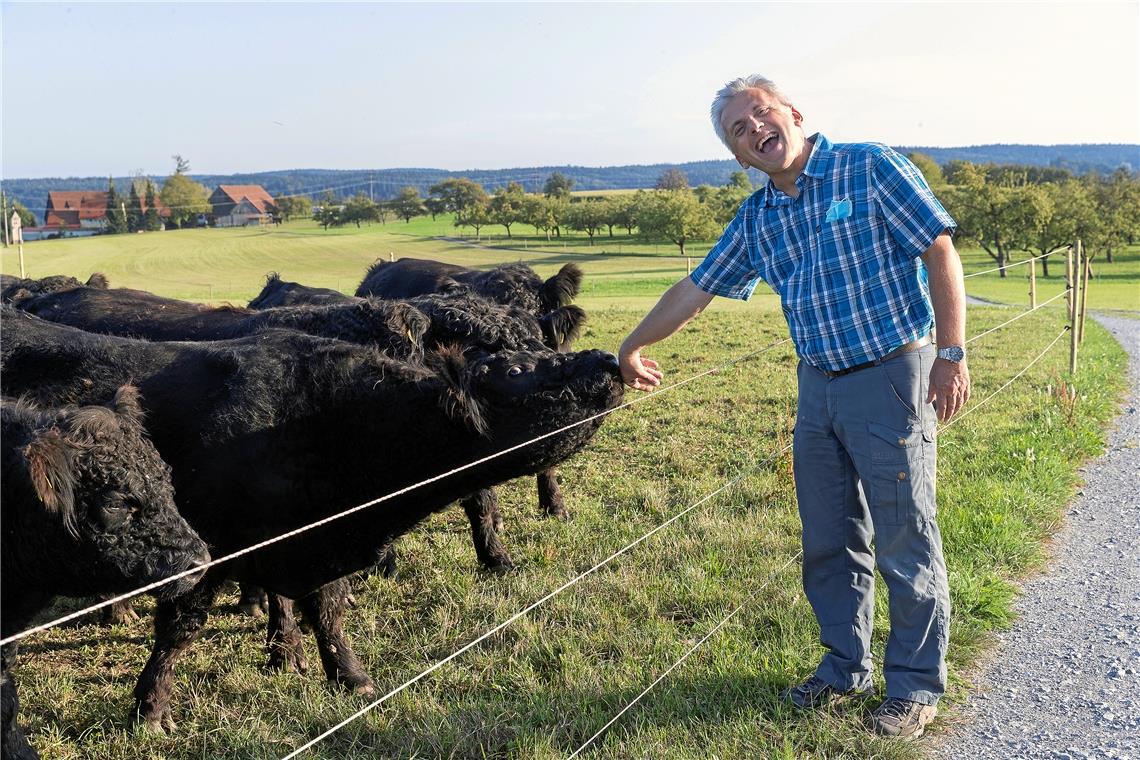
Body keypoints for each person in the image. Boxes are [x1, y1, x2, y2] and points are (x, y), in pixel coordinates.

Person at [618, 74, 970, 740]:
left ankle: (916, 688)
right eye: (738, 131)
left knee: (904, 536)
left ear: (794, 113)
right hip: (818, 386)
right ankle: (845, 669)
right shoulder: (758, 217)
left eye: (760, 115)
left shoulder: (867, 167)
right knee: (828, 538)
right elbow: (695, 290)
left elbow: (939, 251)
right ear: (738, 155)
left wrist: (951, 355)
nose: (754, 131)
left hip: (892, 373)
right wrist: (632, 343)